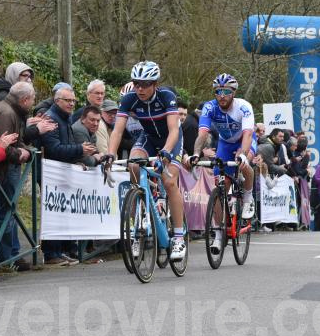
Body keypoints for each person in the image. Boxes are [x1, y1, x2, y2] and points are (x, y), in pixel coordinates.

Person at [105, 61, 187, 261]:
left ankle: (178, 237)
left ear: (155, 84)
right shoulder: (130, 99)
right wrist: (110, 154)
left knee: (169, 181)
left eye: (145, 84)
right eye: (136, 83)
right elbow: (117, 130)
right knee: (133, 164)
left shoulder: (167, 97)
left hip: (171, 139)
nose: (140, 88)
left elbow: (174, 129)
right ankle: (141, 214)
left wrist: (166, 152)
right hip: (148, 138)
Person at [190, 74, 257, 248]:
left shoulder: (244, 107)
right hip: (225, 144)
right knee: (220, 187)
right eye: (218, 91)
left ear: (233, 92)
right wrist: (196, 153)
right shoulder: (209, 107)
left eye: (226, 91)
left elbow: (248, 134)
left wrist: (243, 153)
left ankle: (248, 198)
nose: (221, 95)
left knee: (245, 163)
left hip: (245, 140)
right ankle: (219, 234)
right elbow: (203, 133)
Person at [0, 81, 50, 269]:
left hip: (8, 168)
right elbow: (1, 145)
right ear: (24, 100)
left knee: (7, 212)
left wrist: (25, 150)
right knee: (5, 212)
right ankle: (6, 258)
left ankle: (9, 256)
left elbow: (18, 140)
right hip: (4, 170)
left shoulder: (11, 111)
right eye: (32, 99)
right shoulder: (7, 113)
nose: (33, 103)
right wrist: (20, 153)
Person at [42, 85, 99, 265]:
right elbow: (54, 149)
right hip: (52, 174)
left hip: (64, 172)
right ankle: (51, 253)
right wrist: (79, 149)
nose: (72, 104)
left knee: (63, 213)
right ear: (57, 101)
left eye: (73, 101)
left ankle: (61, 251)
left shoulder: (65, 118)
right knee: (54, 212)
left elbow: (66, 146)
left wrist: (77, 158)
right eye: (68, 100)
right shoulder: (51, 118)